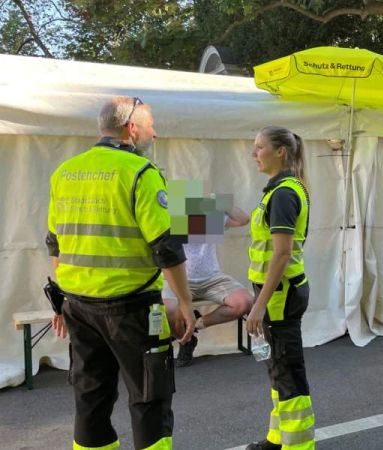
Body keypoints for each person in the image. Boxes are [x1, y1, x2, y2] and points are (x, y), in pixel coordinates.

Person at [46, 96, 195, 450]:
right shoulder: (142, 173)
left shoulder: (65, 172)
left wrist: (62, 301)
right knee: (149, 397)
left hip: (79, 306)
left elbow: (55, 244)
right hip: (133, 307)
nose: (154, 134)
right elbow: (166, 248)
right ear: (132, 129)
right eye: (150, 125)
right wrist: (186, 304)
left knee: (91, 398)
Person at [245, 126, 315, 450]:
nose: (254, 153)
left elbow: (282, 253)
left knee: (289, 375)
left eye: (259, 147)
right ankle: (278, 438)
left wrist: (258, 304)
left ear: (281, 152)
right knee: (278, 369)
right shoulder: (277, 191)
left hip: (279, 295)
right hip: (278, 293)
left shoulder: (285, 193)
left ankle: (299, 445)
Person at [163, 206, 255, 367]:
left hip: (212, 278)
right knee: (167, 308)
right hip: (180, 279)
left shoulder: (210, 220)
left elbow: (244, 219)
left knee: (245, 301)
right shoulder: (171, 220)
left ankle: (196, 325)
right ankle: (186, 340)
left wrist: (223, 202)